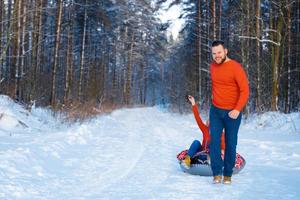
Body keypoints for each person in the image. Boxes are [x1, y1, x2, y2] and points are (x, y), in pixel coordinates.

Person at [209, 40, 249, 184]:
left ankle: (227, 174)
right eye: (214, 53)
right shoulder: (213, 66)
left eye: (219, 52)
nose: (216, 56)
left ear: (226, 51)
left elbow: (245, 90)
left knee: (231, 143)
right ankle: (217, 173)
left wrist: (237, 109)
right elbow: (216, 87)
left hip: (232, 113)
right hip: (215, 111)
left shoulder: (235, 67)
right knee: (214, 141)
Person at [182, 95, 225, 169]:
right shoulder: (205, 129)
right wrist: (193, 103)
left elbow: (223, 146)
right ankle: (187, 160)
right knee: (196, 142)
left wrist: (222, 150)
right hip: (202, 151)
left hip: (213, 153)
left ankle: (211, 161)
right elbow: (197, 118)